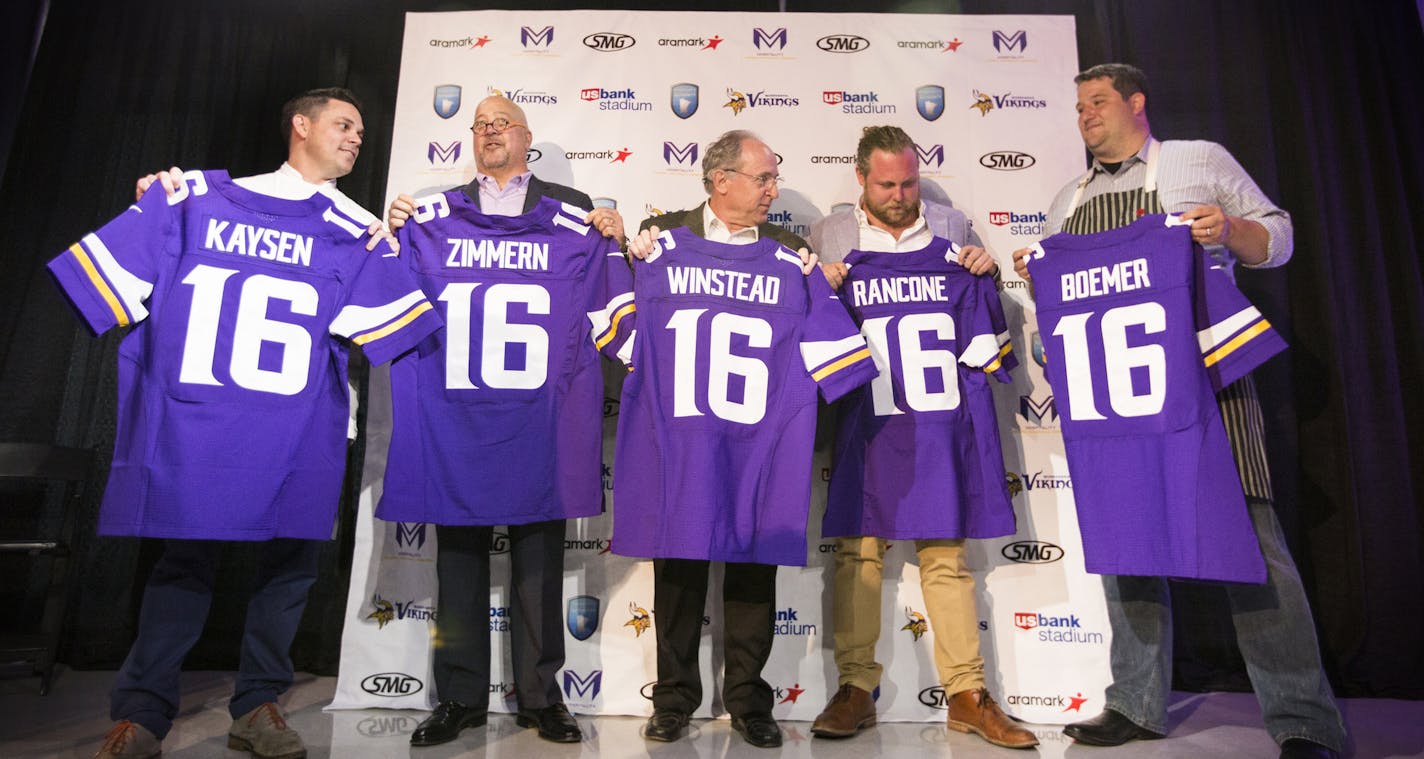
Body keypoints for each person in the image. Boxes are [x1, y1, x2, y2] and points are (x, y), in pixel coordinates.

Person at [83, 88, 442, 759]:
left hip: (299, 431)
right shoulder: (189, 198)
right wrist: (151, 203)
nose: (357, 138)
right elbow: (103, 284)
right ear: (300, 126)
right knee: (183, 562)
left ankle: (259, 703)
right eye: (345, 124)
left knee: (288, 567)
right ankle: (143, 711)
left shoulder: (357, 228)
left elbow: (405, 332)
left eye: (362, 131)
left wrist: (404, 248)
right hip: (204, 426)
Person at [1011, 63, 1345, 759]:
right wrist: (1043, 300)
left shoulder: (1197, 161)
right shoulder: (1065, 202)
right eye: (1078, 107)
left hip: (1206, 382)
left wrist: (1231, 229)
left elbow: (1278, 238)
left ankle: (1304, 719)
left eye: (1098, 102)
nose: (1086, 116)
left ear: (1137, 103)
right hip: (1115, 399)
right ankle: (1133, 702)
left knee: (1250, 542)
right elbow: (1051, 320)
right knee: (1126, 541)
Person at [383, 95, 625, 747]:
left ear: (527, 137)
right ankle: (459, 695)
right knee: (457, 564)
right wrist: (394, 229)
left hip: (541, 423)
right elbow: (388, 291)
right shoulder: (431, 214)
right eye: (480, 125)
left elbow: (614, 302)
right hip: (458, 421)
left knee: (539, 565)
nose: (490, 133)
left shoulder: (574, 212)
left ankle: (542, 698)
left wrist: (619, 238)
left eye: (502, 124)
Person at [807, 125, 1036, 750]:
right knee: (860, 556)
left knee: (946, 557)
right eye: (887, 183)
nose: (901, 193)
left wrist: (985, 272)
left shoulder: (953, 227)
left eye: (909, 180)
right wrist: (818, 286)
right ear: (860, 177)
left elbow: (985, 314)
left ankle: (967, 693)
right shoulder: (829, 235)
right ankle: (856, 687)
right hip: (866, 419)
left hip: (937, 422)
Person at [626, 130, 821, 750]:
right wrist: (623, 252)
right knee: (678, 565)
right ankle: (674, 698)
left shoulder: (789, 251)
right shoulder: (661, 239)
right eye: (763, 178)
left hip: (752, 443)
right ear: (720, 180)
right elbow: (620, 323)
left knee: (751, 567)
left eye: (774, 177)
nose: (773, 189)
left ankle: (747, 700)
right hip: (683, 439)